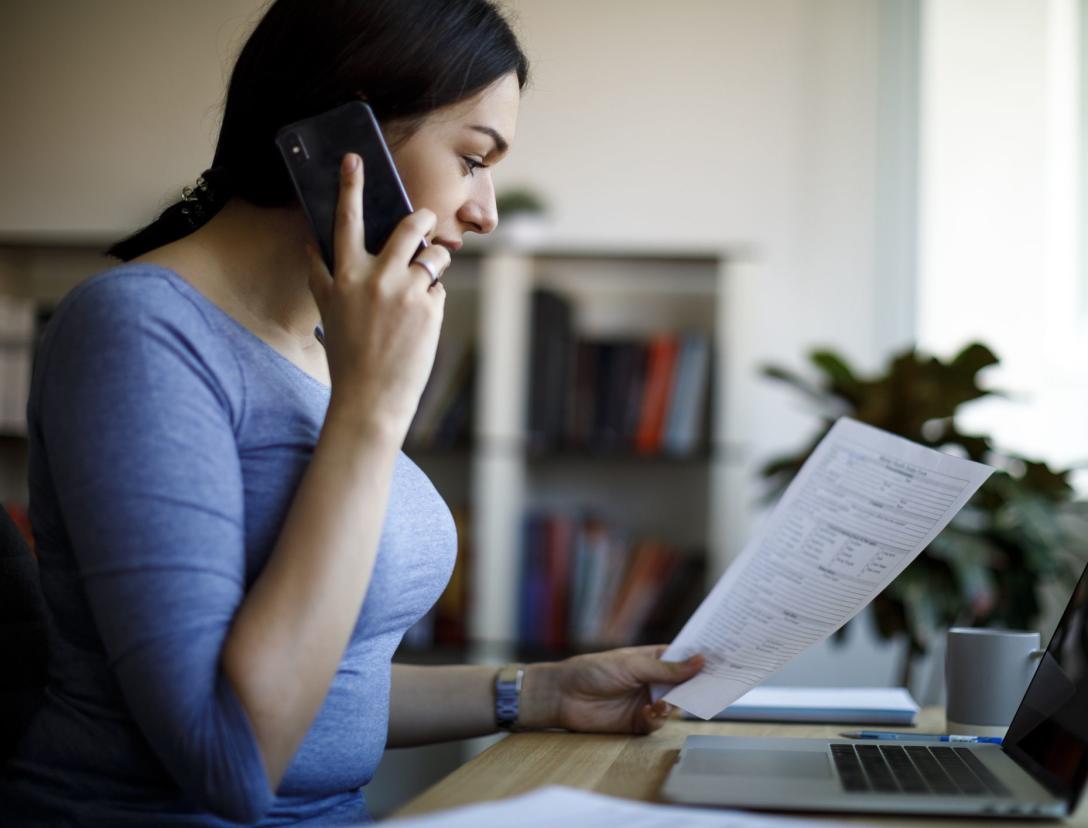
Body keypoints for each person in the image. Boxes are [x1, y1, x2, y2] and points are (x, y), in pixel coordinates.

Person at [0, 1, 703, 824]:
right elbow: (231, 754)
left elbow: (328, 685)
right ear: (348, 142)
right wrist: (371, 409)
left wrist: (539, 691)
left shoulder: (322, 339)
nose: (488, 212)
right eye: (474, 159)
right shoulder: (138, 332)